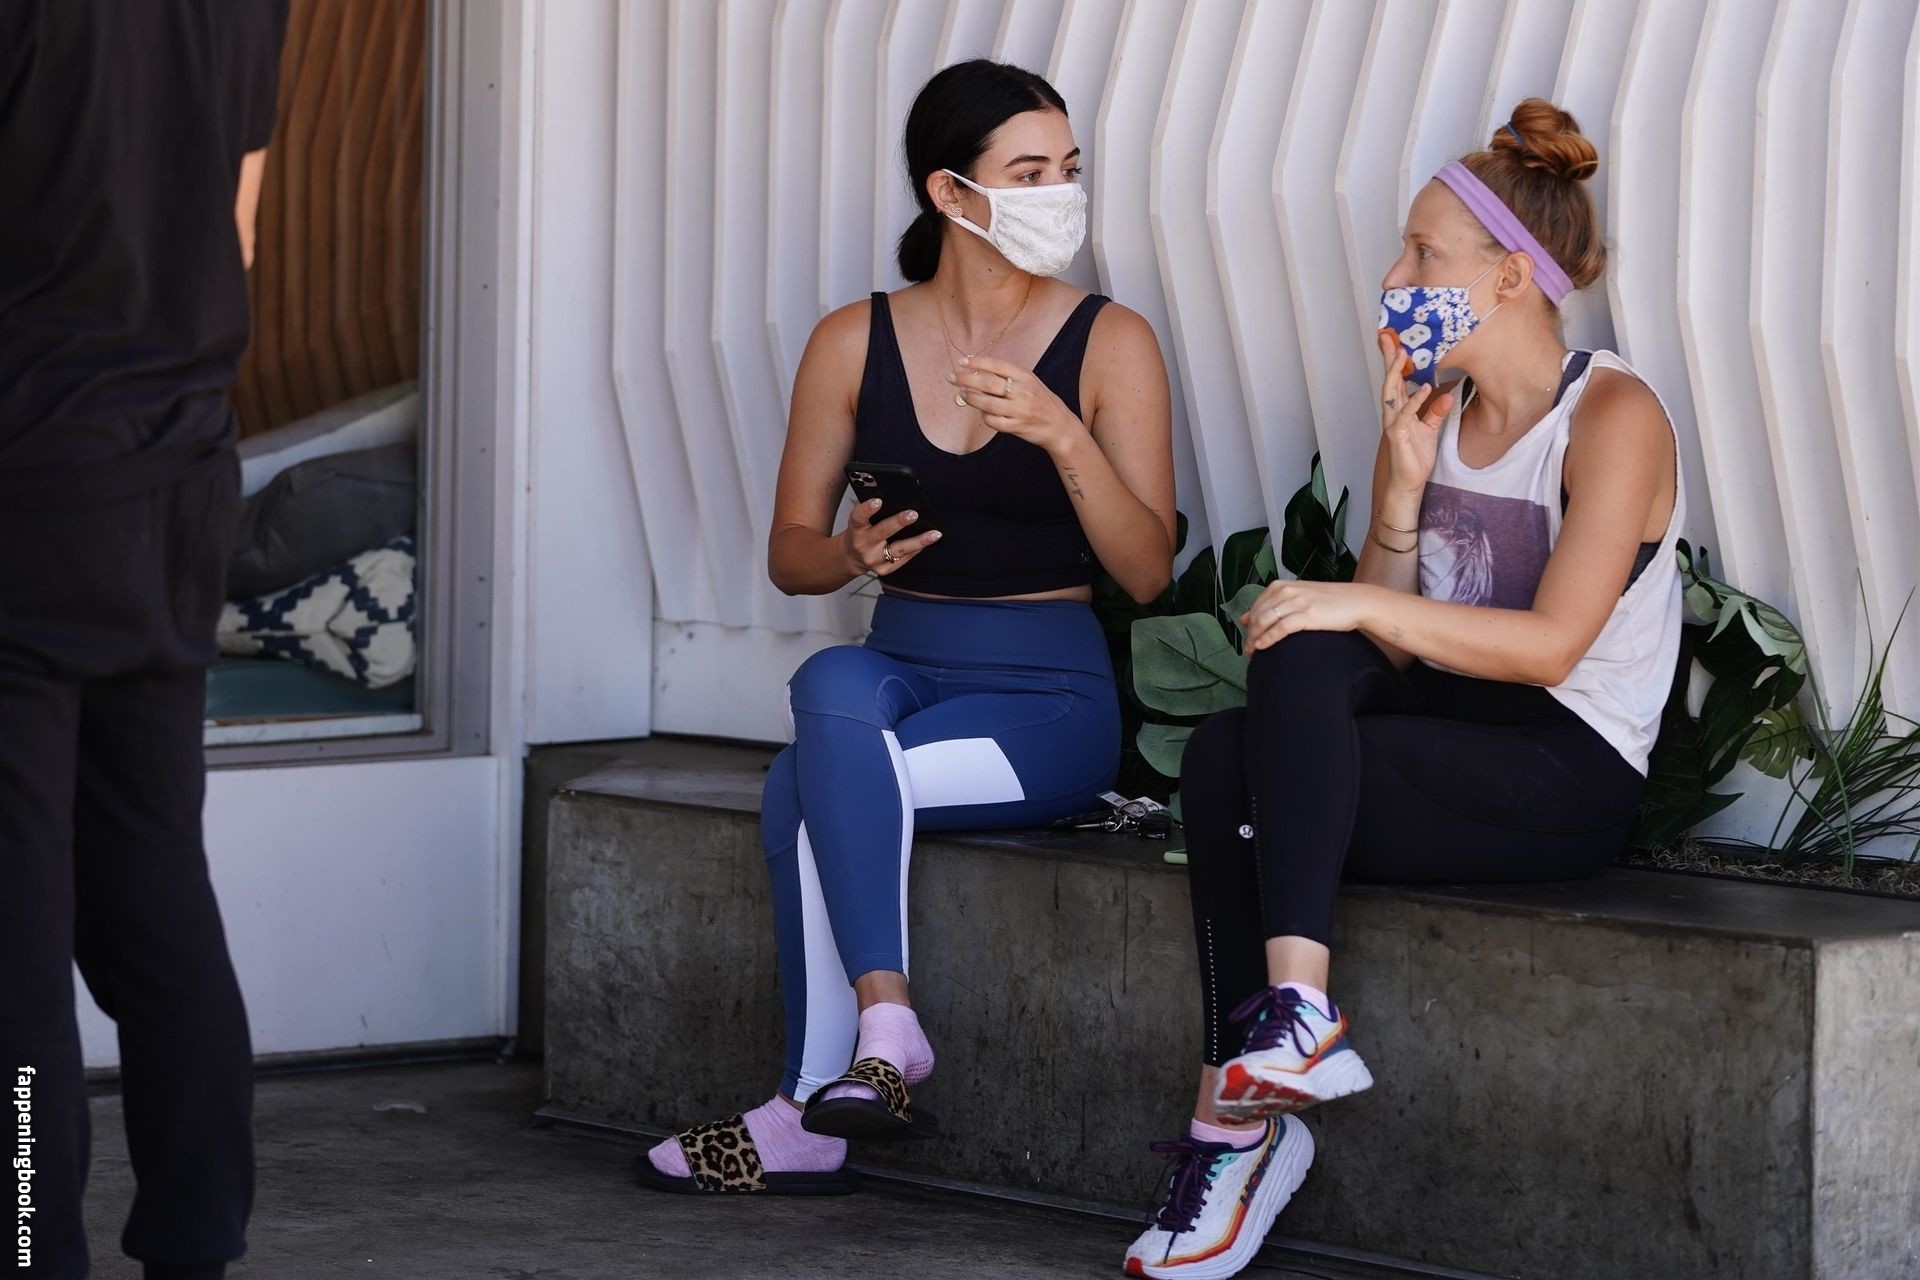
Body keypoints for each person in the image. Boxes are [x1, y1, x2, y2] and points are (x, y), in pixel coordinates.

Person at [1125, 99, 1681, 1278]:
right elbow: (1380, 648)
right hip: (1443, 733)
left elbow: (1551, 648)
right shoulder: (1441, 410)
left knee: (1292, 684)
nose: (1393, 278)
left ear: (1511, 277)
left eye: (1424, 253)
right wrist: (1399, 496)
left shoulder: (1612, 415)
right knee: (1237, 735)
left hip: (1561, 769)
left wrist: (1358, 602)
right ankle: (1272, 1057)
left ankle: (1242, 1119)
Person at [637, 59, 1175, 1194]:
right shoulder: (853, 340)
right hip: (900, 672)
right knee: (831, 678)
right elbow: (790, 556)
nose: (1059, 193)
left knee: (801, 786)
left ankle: (811, 1102)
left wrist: (1062, 434)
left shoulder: (1110, 342)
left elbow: (1147, 568)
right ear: (950, 192)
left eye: (1068, 168)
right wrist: (851, 555)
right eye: (1028, 172)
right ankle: (884, 1032)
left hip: (1047, 699)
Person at [0, 4, 289, 1277]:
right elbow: (239, 226)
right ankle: (194, 1239)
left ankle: (28, 1241)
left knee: (17, 928)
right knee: (156, 884)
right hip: (179, 470)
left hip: (27, 473)